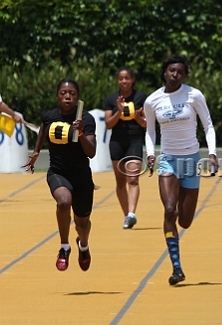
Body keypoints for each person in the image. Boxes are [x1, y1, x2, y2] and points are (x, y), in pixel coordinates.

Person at [145, 56, 218, 285]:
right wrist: (150, 154)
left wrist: (212, 154)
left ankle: (177, 246)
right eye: (171, 70)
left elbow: (208, 125)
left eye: (179, 72)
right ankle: (176, 267)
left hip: (191, 160)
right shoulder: (152, 100)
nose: (175, 75)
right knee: (169, 210)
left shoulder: (193, 95)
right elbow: (149, 131)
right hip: (168, 159)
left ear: (184, 75)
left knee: (185, 221)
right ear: (164, 72)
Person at [22, 79, 96, 272]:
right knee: (64, 201)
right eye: (64, 93)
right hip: (58, 172)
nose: (67, 96)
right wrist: (37, 152)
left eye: (72, 93)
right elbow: (43, 131)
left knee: (83, 223)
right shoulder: (49, 116)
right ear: (58, 95)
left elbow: (92, 152)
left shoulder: (86, 119)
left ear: (77, 97)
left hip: (81, 176)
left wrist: (80, 133)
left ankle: (84, 245)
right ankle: (64, 247)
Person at [103, 67, 147, 229]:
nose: (124, 81)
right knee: (120, 181)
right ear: (117, 81)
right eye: (121, 78)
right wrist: (119, 112)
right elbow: (108, 125)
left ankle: (132, 213)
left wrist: (138, 117)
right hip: (116, 142)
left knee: (133, 179)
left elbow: (146, 124)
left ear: (133, 80)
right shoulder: (111, 99)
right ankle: (126, 216)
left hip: (134, 141)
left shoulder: (141, 97)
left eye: (127, 78)